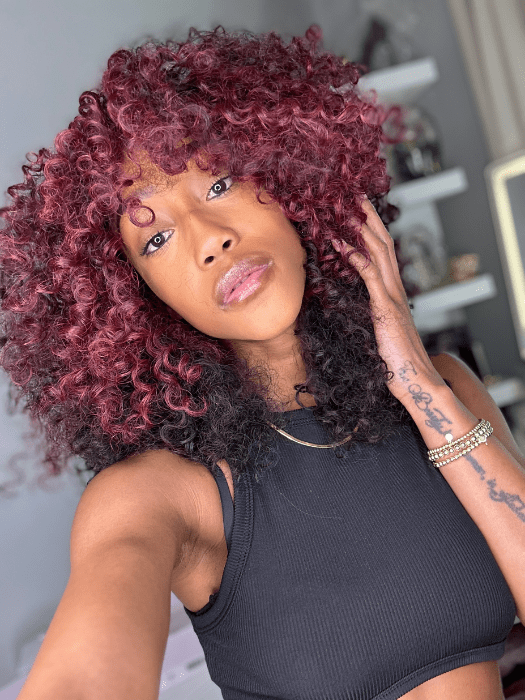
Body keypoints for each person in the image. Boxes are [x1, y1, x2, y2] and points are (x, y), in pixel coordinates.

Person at [1, 24, 523, 700]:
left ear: (289, 182)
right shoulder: (159, 496)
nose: (210, 239)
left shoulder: (445, 391)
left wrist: (418, 383)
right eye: (155, 238)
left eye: (218, 184)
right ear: (136, 299)